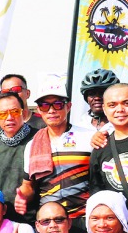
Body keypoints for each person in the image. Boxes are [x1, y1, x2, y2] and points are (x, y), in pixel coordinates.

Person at [18, 78, 92, 222]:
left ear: (68, 106)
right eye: (45, 105)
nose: (51, 110)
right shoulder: (32, 145)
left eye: (58, 104)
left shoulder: (88, 136)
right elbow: (28, 186)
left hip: (84, 218)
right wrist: (22, 196)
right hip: (49, 222)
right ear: (39, 109)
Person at [88, 83, 128, 233]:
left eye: (127, 103)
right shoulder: (100, 146)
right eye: (112, 105)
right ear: (105, 109)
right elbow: (97, 193)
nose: (120, 109)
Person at [0, 91, 36, 222]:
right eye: (3, 114)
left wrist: (24, 196)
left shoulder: (38, 138)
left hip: (34, 218)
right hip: (3, 218)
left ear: (23, 113)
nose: (10, 117)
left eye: (15, 112)